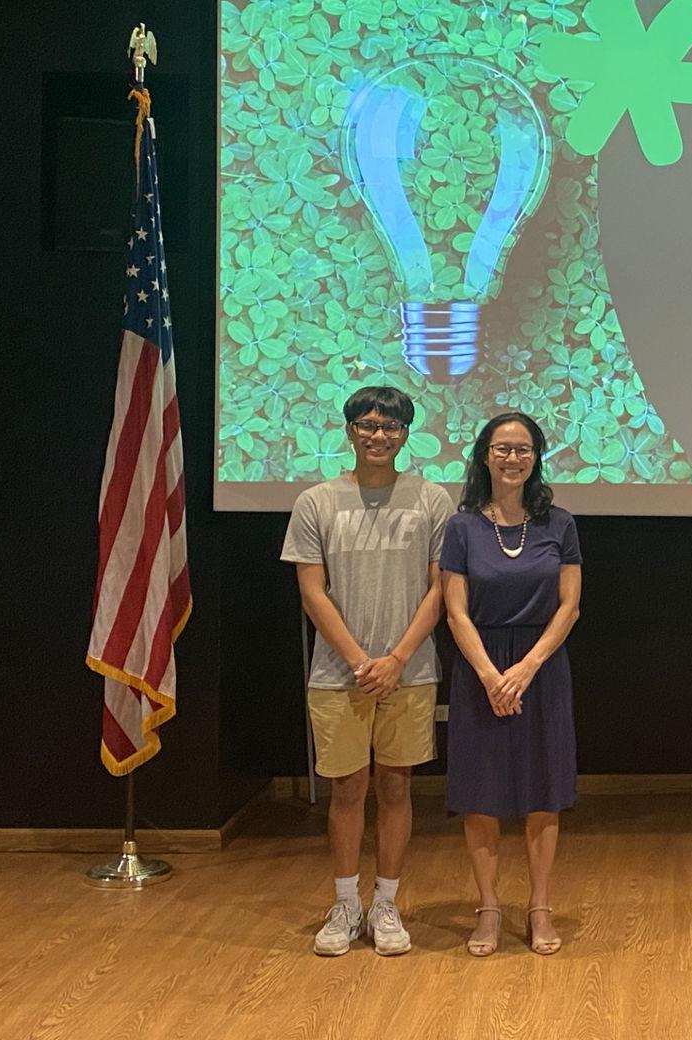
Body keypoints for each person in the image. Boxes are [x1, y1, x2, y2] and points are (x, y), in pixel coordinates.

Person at [281, 386, 451, 957]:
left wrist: (397, 658)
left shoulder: (432, 499)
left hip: (410, 669)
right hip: (338, 675)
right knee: (348, 789)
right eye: (368, 425)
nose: (379, 435)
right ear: (349, 430)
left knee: (396, 787)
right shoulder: (316, 502)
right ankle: (346, 903)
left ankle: (386, 904)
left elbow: (441, 588)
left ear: (406, 434)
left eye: (391, 426)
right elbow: (312, 590)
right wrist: (360, 661)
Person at [441, 411, 582, 957]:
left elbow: (569, 606)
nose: (512, 458)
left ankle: (540, 906)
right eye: (502, 448)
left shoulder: (560, 523)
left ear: (536, 457)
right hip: (481, 668)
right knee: (481, 795)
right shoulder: (461, 527)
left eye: (523, 449)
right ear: (484, 455)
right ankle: (489, 908)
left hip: (542, 669)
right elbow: (455, 612)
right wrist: (490, 675)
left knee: (543, 793)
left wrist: (526, 669)